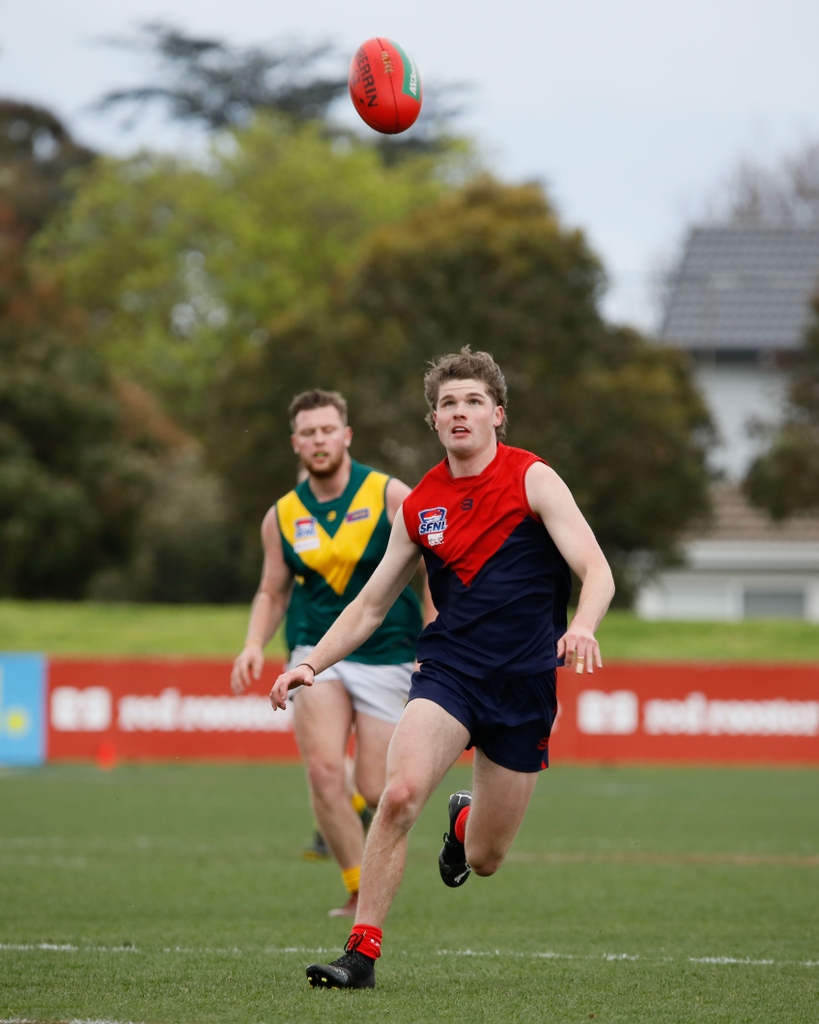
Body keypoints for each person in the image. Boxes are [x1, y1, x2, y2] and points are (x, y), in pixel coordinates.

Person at [270, 347, 615, 988]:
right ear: (434, 420)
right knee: (399, 795)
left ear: (497, 414)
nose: (460, 413)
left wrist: (583, 625)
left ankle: (463, 821)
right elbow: (370, 605)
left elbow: (596, 570)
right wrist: (310, 663)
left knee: (485, 858)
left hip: (524, 686)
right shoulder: (420, 505)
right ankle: (360, 954)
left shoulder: (533, 479)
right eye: (448, 403)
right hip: (448, 673)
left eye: (473, 402)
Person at [231, 388, 427, 917]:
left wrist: (435, 632)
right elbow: (272, 590)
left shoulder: (390, 494)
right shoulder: (281, 515)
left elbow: (435, 567)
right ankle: (359, 887)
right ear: (296, 443)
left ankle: (378, 868)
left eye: (327, 430)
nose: (319, 440)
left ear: (346, 435)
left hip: (389, 651)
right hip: (314, 654)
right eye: (308, 433)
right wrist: (253, 643)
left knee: (375, 787)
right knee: (323, 772)